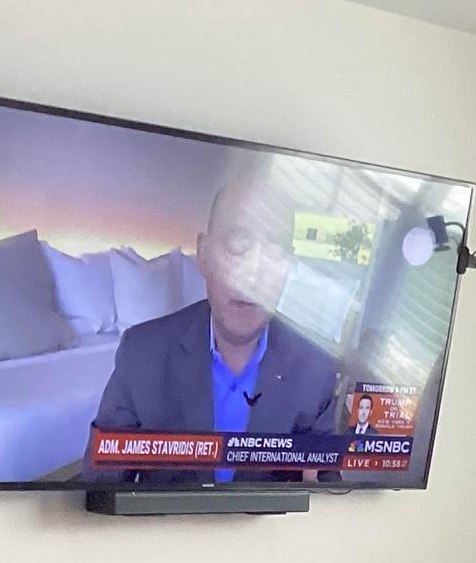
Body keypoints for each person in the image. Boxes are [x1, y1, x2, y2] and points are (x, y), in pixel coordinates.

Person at [88, 173, 341, 482]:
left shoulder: (317, 368)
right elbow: (98, 486)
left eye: (275, 249)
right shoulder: (142, 353)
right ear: (204, 255)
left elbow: (328, 496)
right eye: (237, 244)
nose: (253, 274)